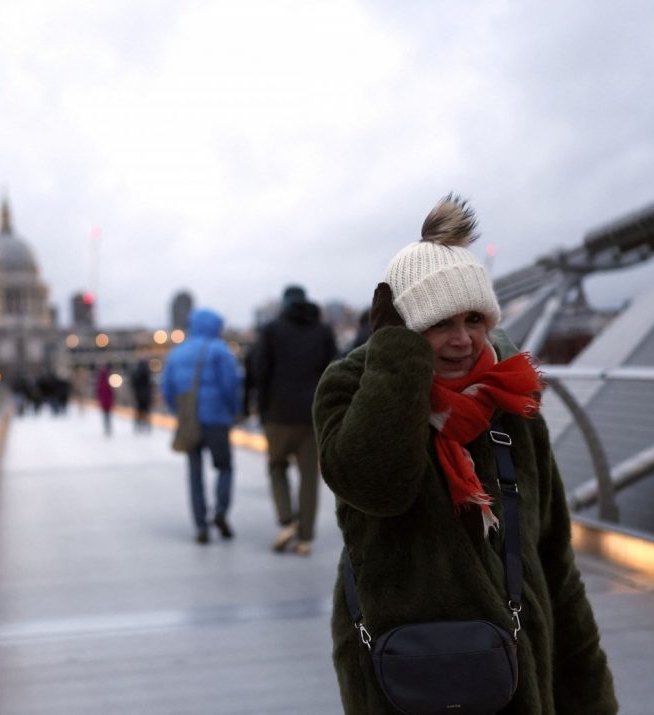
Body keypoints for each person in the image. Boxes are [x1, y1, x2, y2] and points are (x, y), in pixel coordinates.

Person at [313, 195, 617, 713]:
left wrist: (590, 697)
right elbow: (377, 487)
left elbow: (555, 561)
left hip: (519, 672)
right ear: (403, 331)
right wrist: (395, 363)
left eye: (474, 319)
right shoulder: (351, 388)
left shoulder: (508, 397)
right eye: (439, 324)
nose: (462, 341)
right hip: (400, 676)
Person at [253, 285, 337, 556]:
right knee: (309, 477)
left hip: (278, 414)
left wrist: (261, 410)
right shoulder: (323, 331)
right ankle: (305, 538)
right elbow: (334, 371)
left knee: (277, 467)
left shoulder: (272, 331)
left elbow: (260, 372)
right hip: (313, 415)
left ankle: (287, 520)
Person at [161, 308, 242, 544]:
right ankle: (220, 511)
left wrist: (181, 413)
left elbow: (167, 390)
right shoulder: (220, 350)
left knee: (194, 473)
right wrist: (233, 410)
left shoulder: (177, 353)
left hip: (191, 422)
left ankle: (200, 526)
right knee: (224, 467)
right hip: (217, 419)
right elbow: (230, 385)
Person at [129, 359, 154, 432]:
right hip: (146, 396)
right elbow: (150, 385)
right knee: (146, 411)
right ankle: (147, 426)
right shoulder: (147, 373)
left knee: (139, 411)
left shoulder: (137, 373)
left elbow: (133, 384)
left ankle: (138, 425)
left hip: (138, 396)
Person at [95, 365, 114, 436]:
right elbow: (112, 393)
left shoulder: (100, 383)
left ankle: (107, 427)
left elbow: (98, 393)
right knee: (108, 415)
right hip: (107, 402)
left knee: (105, 415)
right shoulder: (108, 382)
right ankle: (108, 427)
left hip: (104, 402)